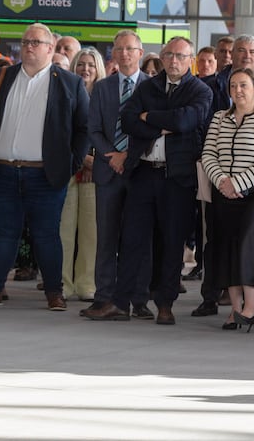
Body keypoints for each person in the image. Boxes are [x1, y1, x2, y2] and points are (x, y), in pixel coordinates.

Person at [88, 36, 212, 325]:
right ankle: (120, 303)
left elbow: (185, 122)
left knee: (171, 242)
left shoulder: (200, 90)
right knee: (132, 239)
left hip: (177, 178)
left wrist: (149, 118)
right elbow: (129, 121)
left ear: (190, 59)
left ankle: (165, 303)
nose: (173, 61)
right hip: (143, 172)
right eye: (169, 55)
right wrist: (163, 121)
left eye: (180, 56)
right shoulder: (149, 86)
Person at [0, 23, 90, 311]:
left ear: (50, 48)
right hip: (2, 172)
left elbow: (83, 128)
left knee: (46, 235)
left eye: (36, 42)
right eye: (25, 42)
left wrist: (69, 165)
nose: (28, 47)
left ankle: (54, 293)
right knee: (3, 233)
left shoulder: (69, 82)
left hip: (45, 175)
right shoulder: (1, 77)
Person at [202, 68, 254, 331]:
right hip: (223, 191)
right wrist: (223, 182)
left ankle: (250, 307)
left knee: (247, 242)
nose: (238, 90)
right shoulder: (219, 118)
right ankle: (235, 309)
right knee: (226, 245)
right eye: (234, 85)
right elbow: (208, 154)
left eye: (244, 85)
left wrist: (238, 183)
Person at [83, 32, 151, 320]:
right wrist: (113, 155)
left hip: (140, 171)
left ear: (140, 52)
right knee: (106, 237)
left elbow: (152, 129)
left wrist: (128, 155)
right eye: (119, 49)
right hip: (108, 171)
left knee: (139, 238)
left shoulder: (153, 87)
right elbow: (93, 128)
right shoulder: (103, 87)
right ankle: (104, 297)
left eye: (130, 49)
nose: (124, 54)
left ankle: (139, 298)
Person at [58, 46, 105, 303]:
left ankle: (87, 283)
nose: (85, 69)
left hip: (95, 173)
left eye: (90, 64)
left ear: (98, 68)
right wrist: (81, 159)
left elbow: (107, 132)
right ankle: (62, 284)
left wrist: (93, 162)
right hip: (68, 169)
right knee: (63, 231)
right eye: (81, 64)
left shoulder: (105, 94)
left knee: (91, 232)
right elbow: (59, 132)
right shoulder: (65, 93)